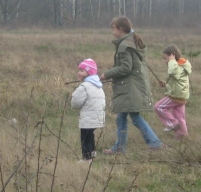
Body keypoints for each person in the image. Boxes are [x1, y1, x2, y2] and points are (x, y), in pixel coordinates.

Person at [100, 16, 164, 153]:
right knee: (121, 117)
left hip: (130, 88)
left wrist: (106, 74)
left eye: (114, 29)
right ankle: (120, 147)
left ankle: (155, 143)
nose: (112, 32)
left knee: (134, 117)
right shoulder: (131, 40)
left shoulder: (124, 45)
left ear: (121, 29)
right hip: (131, 86)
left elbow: (125, 68)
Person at [70, 59, 106, 162]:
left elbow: (75, 104)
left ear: (89, 72)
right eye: (79, 70)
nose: (79, 73)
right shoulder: (98, 85)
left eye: (82, 71)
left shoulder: (84, 86)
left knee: (84, 137)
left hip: (88, 116)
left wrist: (73, 97)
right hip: (97, 115)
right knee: (90, 134)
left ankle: (87, 158)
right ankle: (92, 152)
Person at [154, 45, 192, 139]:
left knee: (159, 107)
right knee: (180, 117)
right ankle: (183, 135)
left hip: (176, 96)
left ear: (173, 56)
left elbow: (173, 72)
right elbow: (177, 81)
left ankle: (173, 125)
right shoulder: (181, 65)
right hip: (182, 96)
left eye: (166, 58)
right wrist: (166, 84)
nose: (165, 61)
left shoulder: (177, 66)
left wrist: (171, 60)